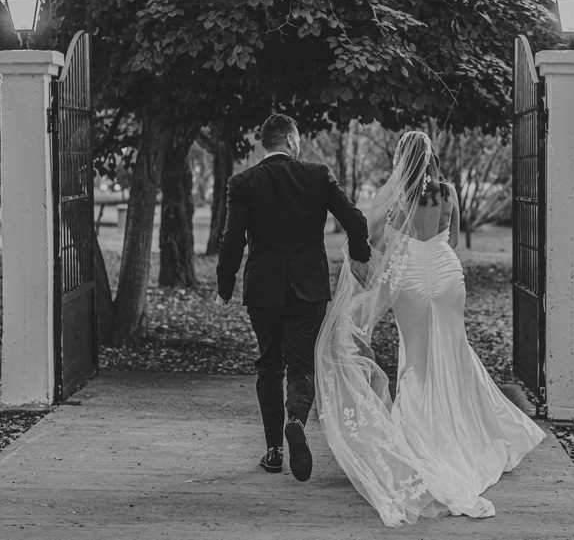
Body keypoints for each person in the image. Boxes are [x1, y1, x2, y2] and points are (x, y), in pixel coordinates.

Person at [315, 131, 545, 527]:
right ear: (432, 157)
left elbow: (371, 243)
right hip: (445, 272)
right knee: (455, 351)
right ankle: (473, 430)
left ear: (402, 161)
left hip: (410, 281)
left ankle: (423, 433)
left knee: (417, 359)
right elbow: (452, 240)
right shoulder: (449, 192)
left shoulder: (396, 199)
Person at [215, 114, 371, 482]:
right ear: (289, 138)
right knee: (302, 365)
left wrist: (225, 287)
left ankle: (273, 452)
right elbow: (355, 220)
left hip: (263, 289)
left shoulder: (243, 182)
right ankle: (296, 418)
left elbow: (232, 238)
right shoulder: (317, 175)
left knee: (269, 365)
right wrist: (361, 256)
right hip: (309, 288)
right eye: (298, 139)